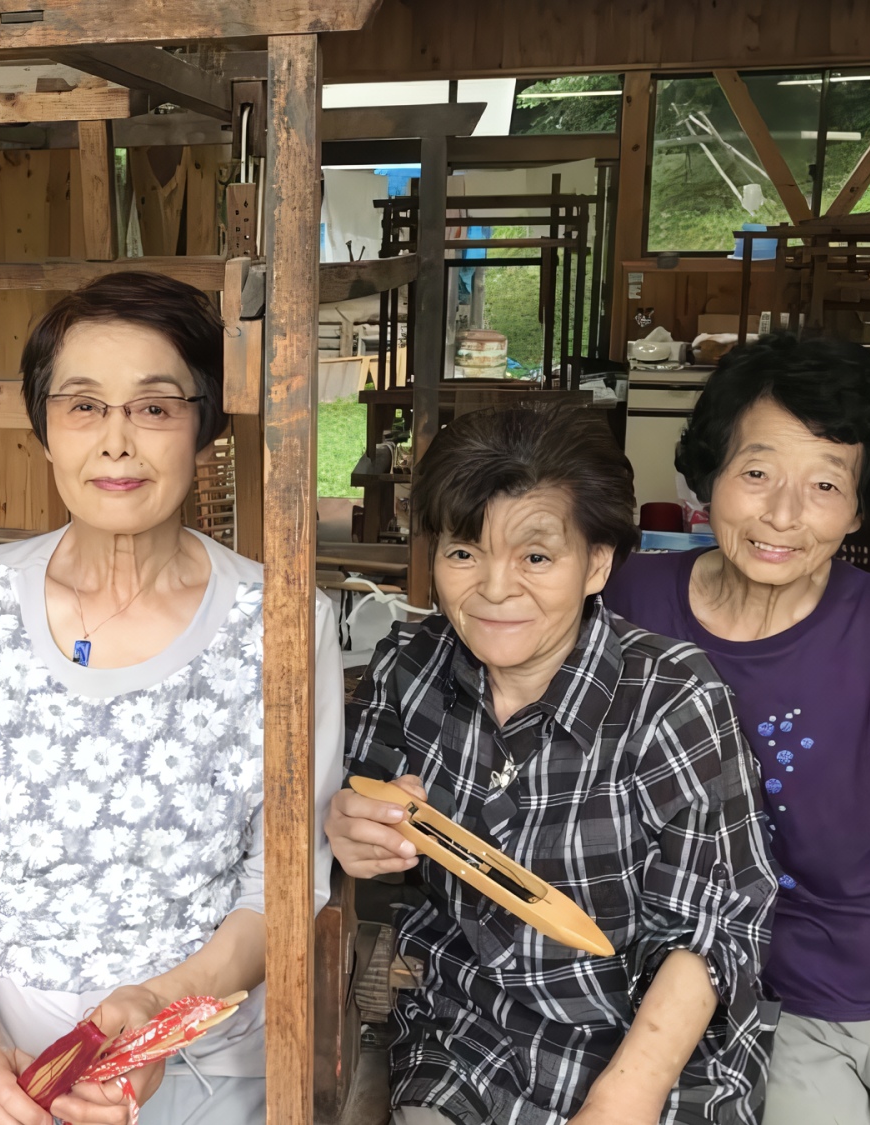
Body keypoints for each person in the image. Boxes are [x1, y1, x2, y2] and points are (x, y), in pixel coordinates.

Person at [0, 271, 345, 1125]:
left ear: (203, 425)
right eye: (84, 406)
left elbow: (280, 885)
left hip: (200, 1054)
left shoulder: (282, 621)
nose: (117, 443)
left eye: (155, 407)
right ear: (46, 428)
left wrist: (157, 1016)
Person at [602, 334, 870, 1125]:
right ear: (709, 478)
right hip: (721, 980)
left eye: (825, 484)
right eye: (758, 472)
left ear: (860, 505)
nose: (783, 515)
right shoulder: (635, 599)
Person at [326, 404, 780, 1125]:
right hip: (466, 1039)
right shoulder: (410, 671)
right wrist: (350, 832)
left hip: (644, 1048)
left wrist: (622, 1098)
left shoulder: (671, 697)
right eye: (463, 552)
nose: (495, 589)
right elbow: (357, 820)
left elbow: (715, 931)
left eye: (536, 556)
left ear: (597, 562)